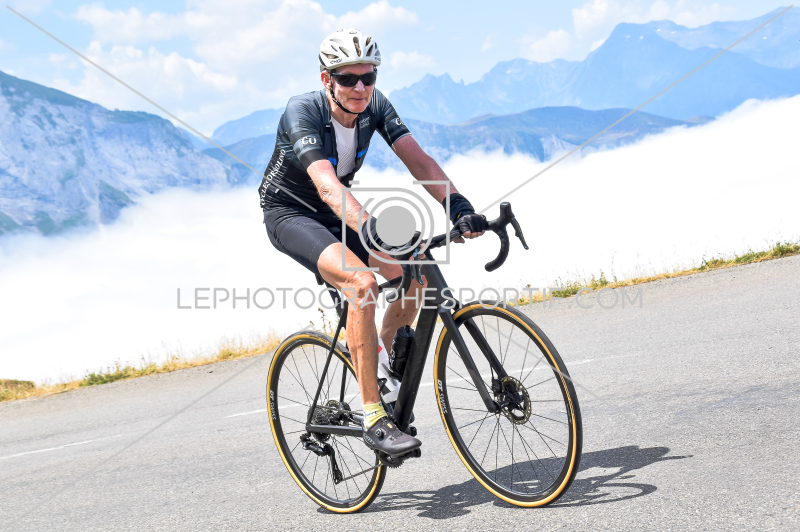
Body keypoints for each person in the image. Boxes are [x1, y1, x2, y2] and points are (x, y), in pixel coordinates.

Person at [259, 28, 487, 456]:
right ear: (327, 80)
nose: (360, 87)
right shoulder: (302, 112)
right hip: (291, 213)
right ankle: (372, 416)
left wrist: (458, 205)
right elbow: (327, 186)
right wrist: (371, 229)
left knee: (418, 266)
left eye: (369, 77)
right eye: (348, 78)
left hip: (337, 209)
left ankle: (383, 367)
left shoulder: (375, 105)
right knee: (361, 284)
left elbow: (419, 160)